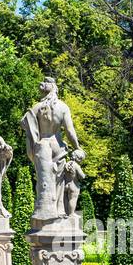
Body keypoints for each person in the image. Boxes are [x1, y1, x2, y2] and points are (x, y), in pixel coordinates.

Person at [21, 77, 85, 221]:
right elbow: (70, 131)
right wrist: (78, 147)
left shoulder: (36, 107)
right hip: (57, 146)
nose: (41, 84)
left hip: (42, 146)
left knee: (43, 180)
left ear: (51, 86)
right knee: (58, 181)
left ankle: (45, 211)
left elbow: (27, 126)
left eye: (44, 82)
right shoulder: (63, 107)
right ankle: (59, 210)